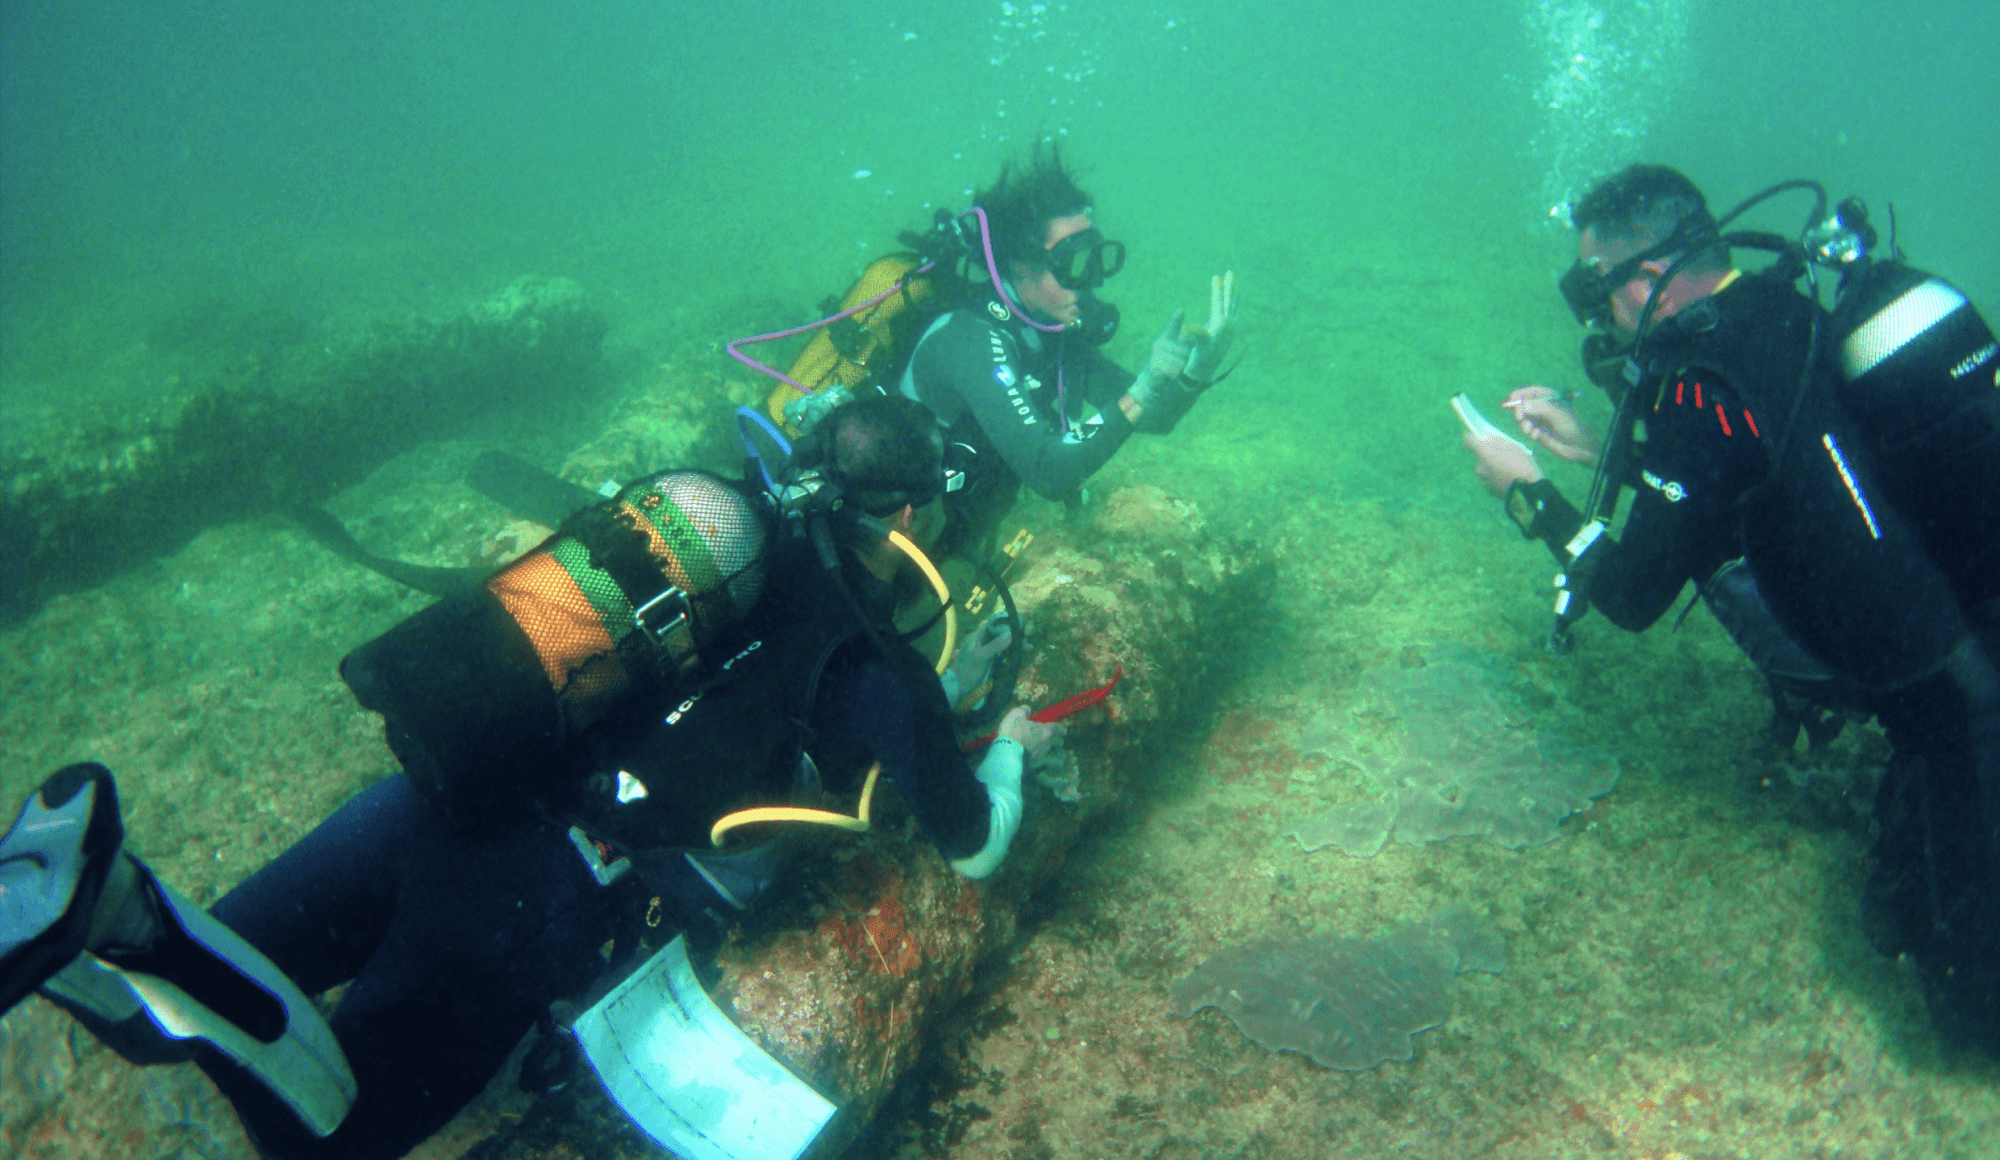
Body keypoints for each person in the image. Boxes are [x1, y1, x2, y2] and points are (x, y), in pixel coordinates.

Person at [0, 393, 1059, 1160]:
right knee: (329, 1131)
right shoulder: (871, 662)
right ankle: (134, 922)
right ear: (909, 520)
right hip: (537, 893)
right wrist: (1008, 739)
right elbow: (973, 844)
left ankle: (86, 900)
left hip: (444, 787)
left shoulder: (709, 538)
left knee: (168, 1006)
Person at [1463, 163, 2000, 1054]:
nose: (1594, 312)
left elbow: (1633, 593)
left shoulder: (1693, 385)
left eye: (1594, 285)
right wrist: (1598, 447)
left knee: (1969, 1005)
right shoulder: (1776, 304)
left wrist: (1529, 494)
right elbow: (1749, 465)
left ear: (1647, 274)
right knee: (1903, 896)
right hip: (1963, 623)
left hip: (1933, 683)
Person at [897, 142, 1239, 556]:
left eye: (1096, 259)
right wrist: (1143, 391)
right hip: (887, 543)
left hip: (950, 540)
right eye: (1072, 263)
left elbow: (1154, 415)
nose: (1090, 281)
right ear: (1021, 268)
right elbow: (1048, 470)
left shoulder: (1053, 332)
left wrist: (1194, 373)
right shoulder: (970, 341)